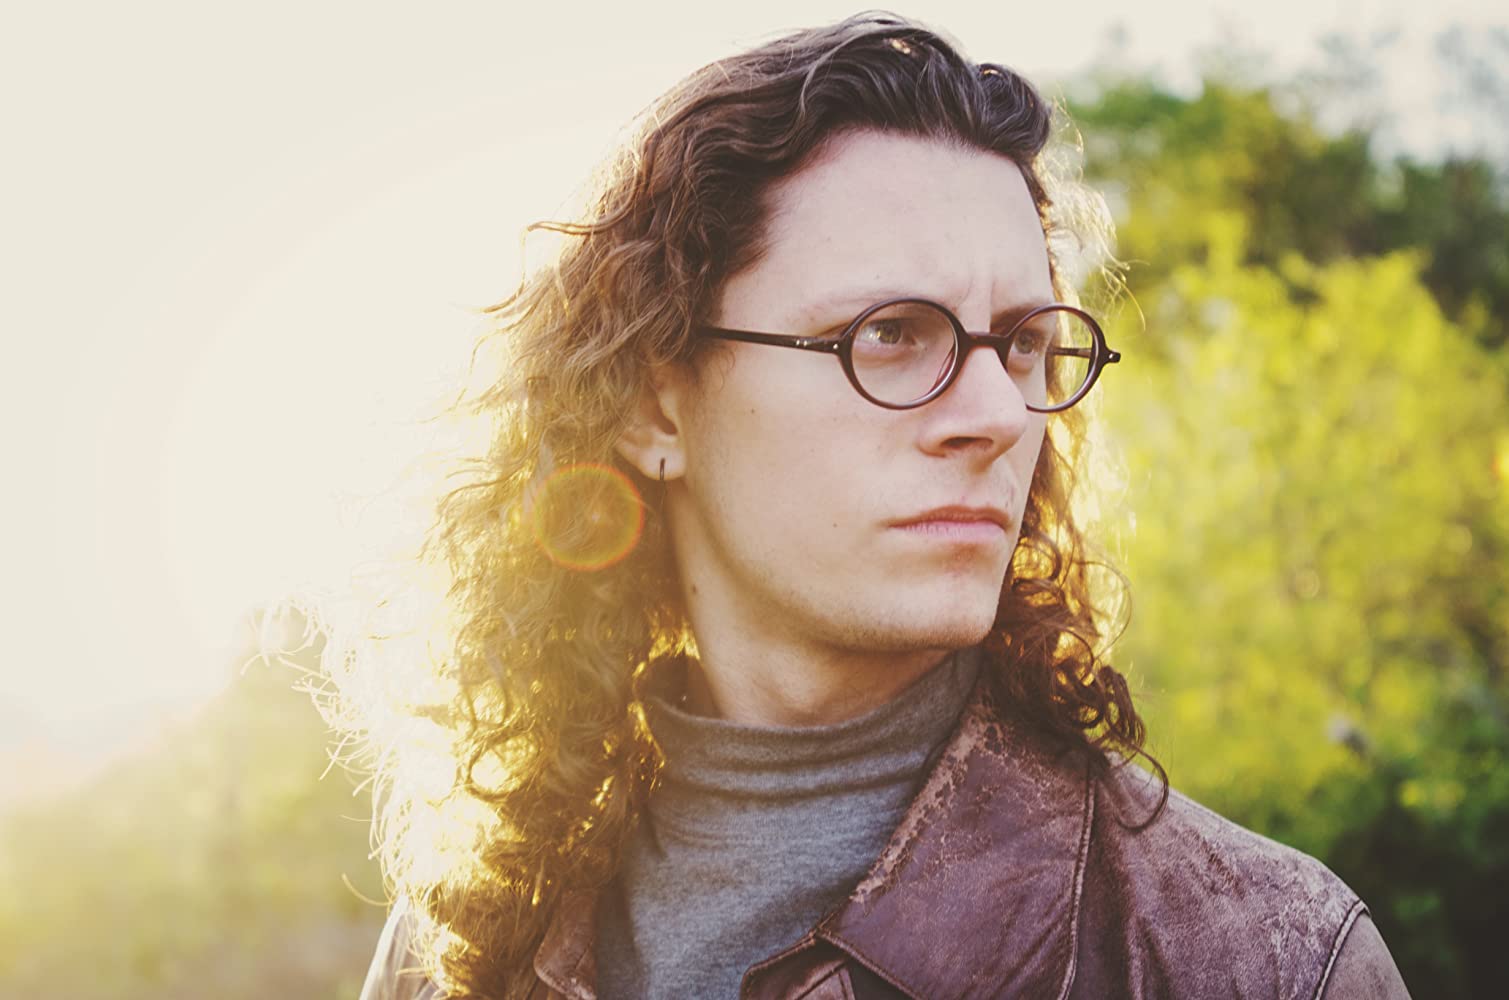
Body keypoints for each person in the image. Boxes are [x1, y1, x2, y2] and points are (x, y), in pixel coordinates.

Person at [343, 12, 1412, 999]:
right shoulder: (467, 942)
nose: (998, 415)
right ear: (655, 406)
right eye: (890, 333)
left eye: (1024, 344)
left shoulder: (1263, 961)